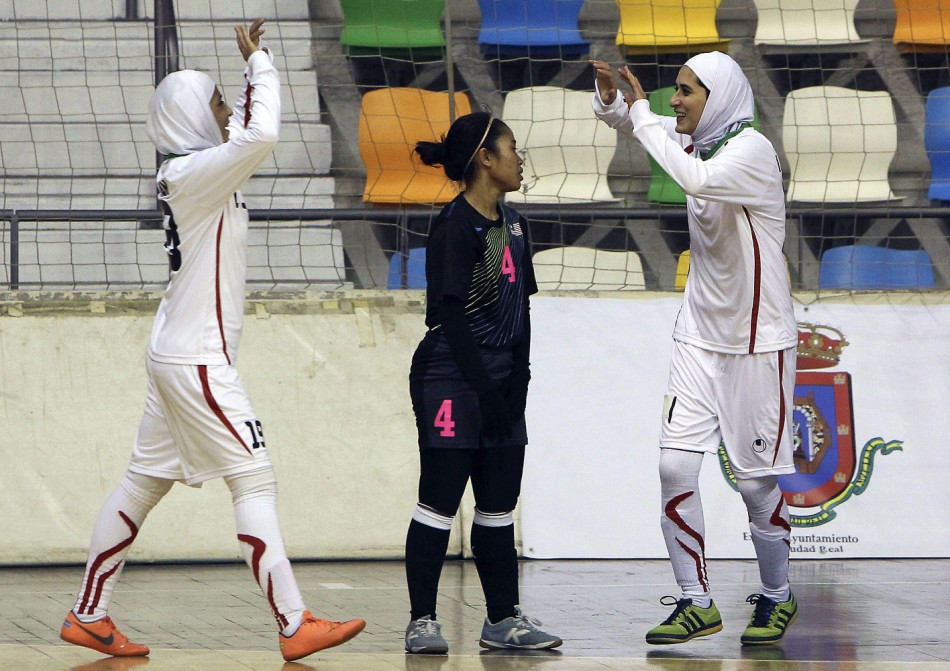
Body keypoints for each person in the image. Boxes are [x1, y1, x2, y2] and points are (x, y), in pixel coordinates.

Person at [58, 19, 365, 662]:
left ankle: (90, 614)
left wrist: (248, 84)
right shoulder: (197, 173)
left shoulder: (190, 170)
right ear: (192, 116)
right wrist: (260, 65)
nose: (226, 110)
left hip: (174, 352)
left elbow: (249, 134)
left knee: (141, 483)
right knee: (254, 478)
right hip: (197, 360)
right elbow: (265, 133)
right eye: (217, 100)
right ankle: (293, 622)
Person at [591, 53, 799, 647]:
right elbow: (635, 127)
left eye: (685, 92)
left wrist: (640, 113)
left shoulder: (751, 152)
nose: (673, 100)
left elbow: (693, 180)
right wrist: (613, 101)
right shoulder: (702, 144)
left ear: (722, 98)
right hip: (698, 338)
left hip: (759, 344)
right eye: (673, 92)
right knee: (674, 465)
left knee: (756, 485)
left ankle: (777, 595)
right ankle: (695, 601)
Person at [402, 112, 562, 654]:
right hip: (450, 377)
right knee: (440, 500)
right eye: (512, 149)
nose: (520, 159)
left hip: (499, 380)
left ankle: (502, 621)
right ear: (485, 161)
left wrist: (520, 376)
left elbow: (524, 307)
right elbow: (448, 314)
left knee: (498, 505)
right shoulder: (454, 226)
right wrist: (484, 387)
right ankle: (422, 621)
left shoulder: (515, 225)